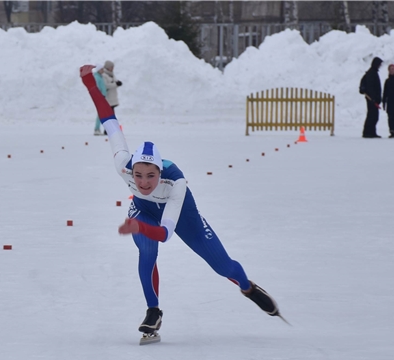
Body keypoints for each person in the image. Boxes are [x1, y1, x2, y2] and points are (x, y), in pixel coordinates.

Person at [79, 64, 285, 335]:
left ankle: (247, 287)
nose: (143, 182)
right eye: (138, 175)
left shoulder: (176, 183)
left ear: (160, 172)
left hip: (182, 218)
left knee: (223, 266)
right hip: (143, 214)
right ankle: (153, 311)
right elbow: (109, 120)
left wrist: (139, 227)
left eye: (150, 176)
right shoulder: (122, 163)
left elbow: (165, 233)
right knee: (147, 251)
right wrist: (91, 86)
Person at [361, 57, 383, 138]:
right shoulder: (371, 73)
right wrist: (373, 98)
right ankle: (368, 132)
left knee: (373, 116)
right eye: (379, 64)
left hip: (373, 99)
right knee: (372, 116)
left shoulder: (373, 72)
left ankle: (371, 132)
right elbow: (371, 87)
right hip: (371, 99)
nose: (380, 66)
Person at [92, 64, 107, 136]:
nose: (103, 70)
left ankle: (97, 128)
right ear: (98, 70)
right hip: (99, 97)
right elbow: (97, 88)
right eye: (102, 69)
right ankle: (96, 129)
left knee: (100, 113)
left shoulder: (100, 76)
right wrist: (100, 95)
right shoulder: (97, 77)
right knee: (100, 114)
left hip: (102, 97)